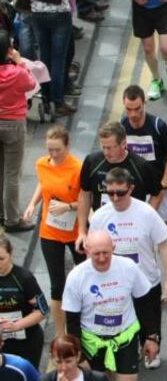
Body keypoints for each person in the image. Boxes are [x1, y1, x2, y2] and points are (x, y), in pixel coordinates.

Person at [89, 168, 167, 370]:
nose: (115, 198)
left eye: (120, 192)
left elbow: (164, 245)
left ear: (131, 189)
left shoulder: (146, 212)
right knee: (122, 320)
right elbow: (92, 249)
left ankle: (151, 349)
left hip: (147, 280)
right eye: (110, 193)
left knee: (150, 320)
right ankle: (130, 348)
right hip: (115, 283)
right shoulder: (100, 216)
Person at [63, 231, 156, 381]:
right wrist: (79, 357)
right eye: (96, 254)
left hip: (125, 337)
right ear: (87, 250)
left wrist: (151, 337)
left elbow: (145, 303)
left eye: (106, 253)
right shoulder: (76, 277)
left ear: (113, 247)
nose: (101, 258)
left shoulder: (128, 267)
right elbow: (72, 321)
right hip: (92, 342)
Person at [22, 126, 83, 338]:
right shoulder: (41, 163)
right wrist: (32, 204)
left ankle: (81, 327)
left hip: (76, 232)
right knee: (57, 286)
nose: (54, 154)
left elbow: (87, 200)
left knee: (83, 279)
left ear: (68, 146)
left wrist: (69, 206)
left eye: (58, 149)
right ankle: (60, 337)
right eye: (50, 149)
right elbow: (43, 183)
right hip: (50, 231)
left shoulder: (78, 168)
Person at [18, 0, 77, 117]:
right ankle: (58, 102)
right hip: (60, 16)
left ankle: (45, 98)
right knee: (58, 60)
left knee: (44, 58)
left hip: (37, 15)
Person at [75, 122, 162, 238]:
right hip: (102, 226)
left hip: (131, 229)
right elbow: (84, 195)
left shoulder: (141, 166)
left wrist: (145, 221)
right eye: (103, 147)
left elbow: (157, 194)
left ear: (123, 144)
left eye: (110, 148)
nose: (106, 152)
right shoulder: (92, 161)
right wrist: (81, 231)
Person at [120, 85, 167, 228]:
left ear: (144, 103)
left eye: (137, 109)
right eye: (129, 109)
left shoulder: (158, 126)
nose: (133, 114)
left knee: (165, 229)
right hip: (136, 188)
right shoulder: (122, 126)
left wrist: (164, 183)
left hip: (160, 187)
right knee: (140, 229)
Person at [0, 236, 44, 368]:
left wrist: (17, 325)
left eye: (1, 259)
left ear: (11, 254)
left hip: (27, 341)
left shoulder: (24, 278)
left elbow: (42, 310)